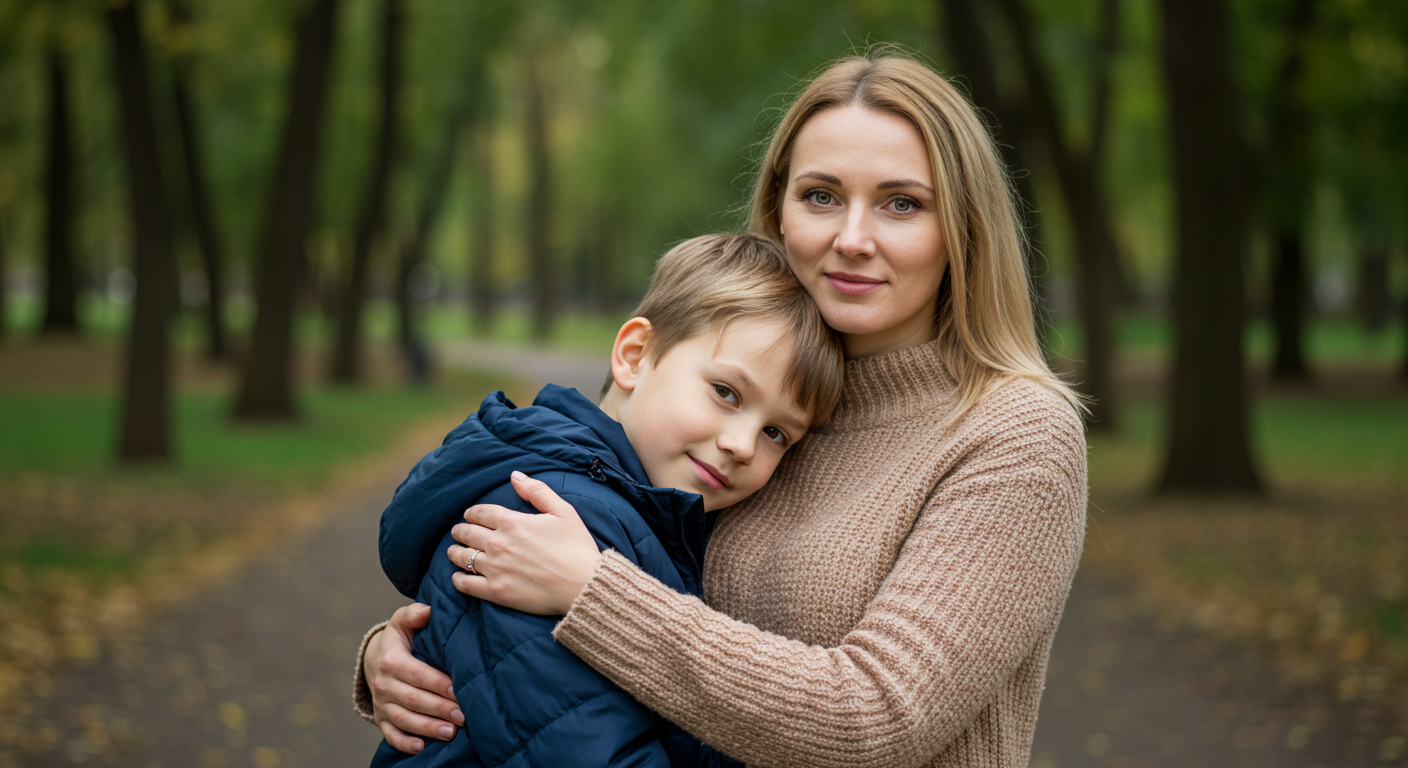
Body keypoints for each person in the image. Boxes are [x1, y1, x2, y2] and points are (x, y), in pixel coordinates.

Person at [358, 50, 1088, 768]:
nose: (852, 238)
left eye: (902, 203)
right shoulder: (765, 404)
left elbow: (880, 717)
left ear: (962, 228)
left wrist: (592, 595)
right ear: (779, 210)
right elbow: (616, 575)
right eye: (821, 196)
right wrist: (425, 648)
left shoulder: (1013, 433)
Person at [365, 233, 845, 767]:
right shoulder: (544, 520)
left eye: (777, 433)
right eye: (726, 393)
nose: (742, 444)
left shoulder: (651, 516)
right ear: (635, 356)